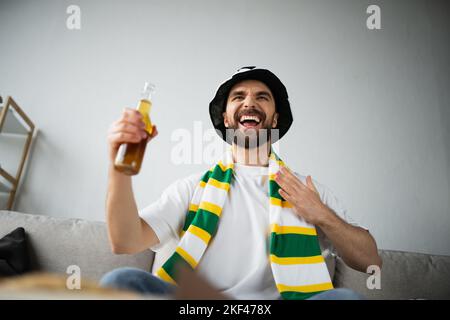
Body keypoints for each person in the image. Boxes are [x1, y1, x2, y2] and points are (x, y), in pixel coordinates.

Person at [101, 66, 382, 300]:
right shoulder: (193, 188)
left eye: (262, 97)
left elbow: (371, 262)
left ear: (275, 119)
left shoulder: (307, 191)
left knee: (345, 299)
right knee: (122, 280)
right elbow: (125, 240)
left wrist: (320, 214)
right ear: (226, 118)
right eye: (239, 97)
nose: (249, 103)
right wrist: (119, 169)